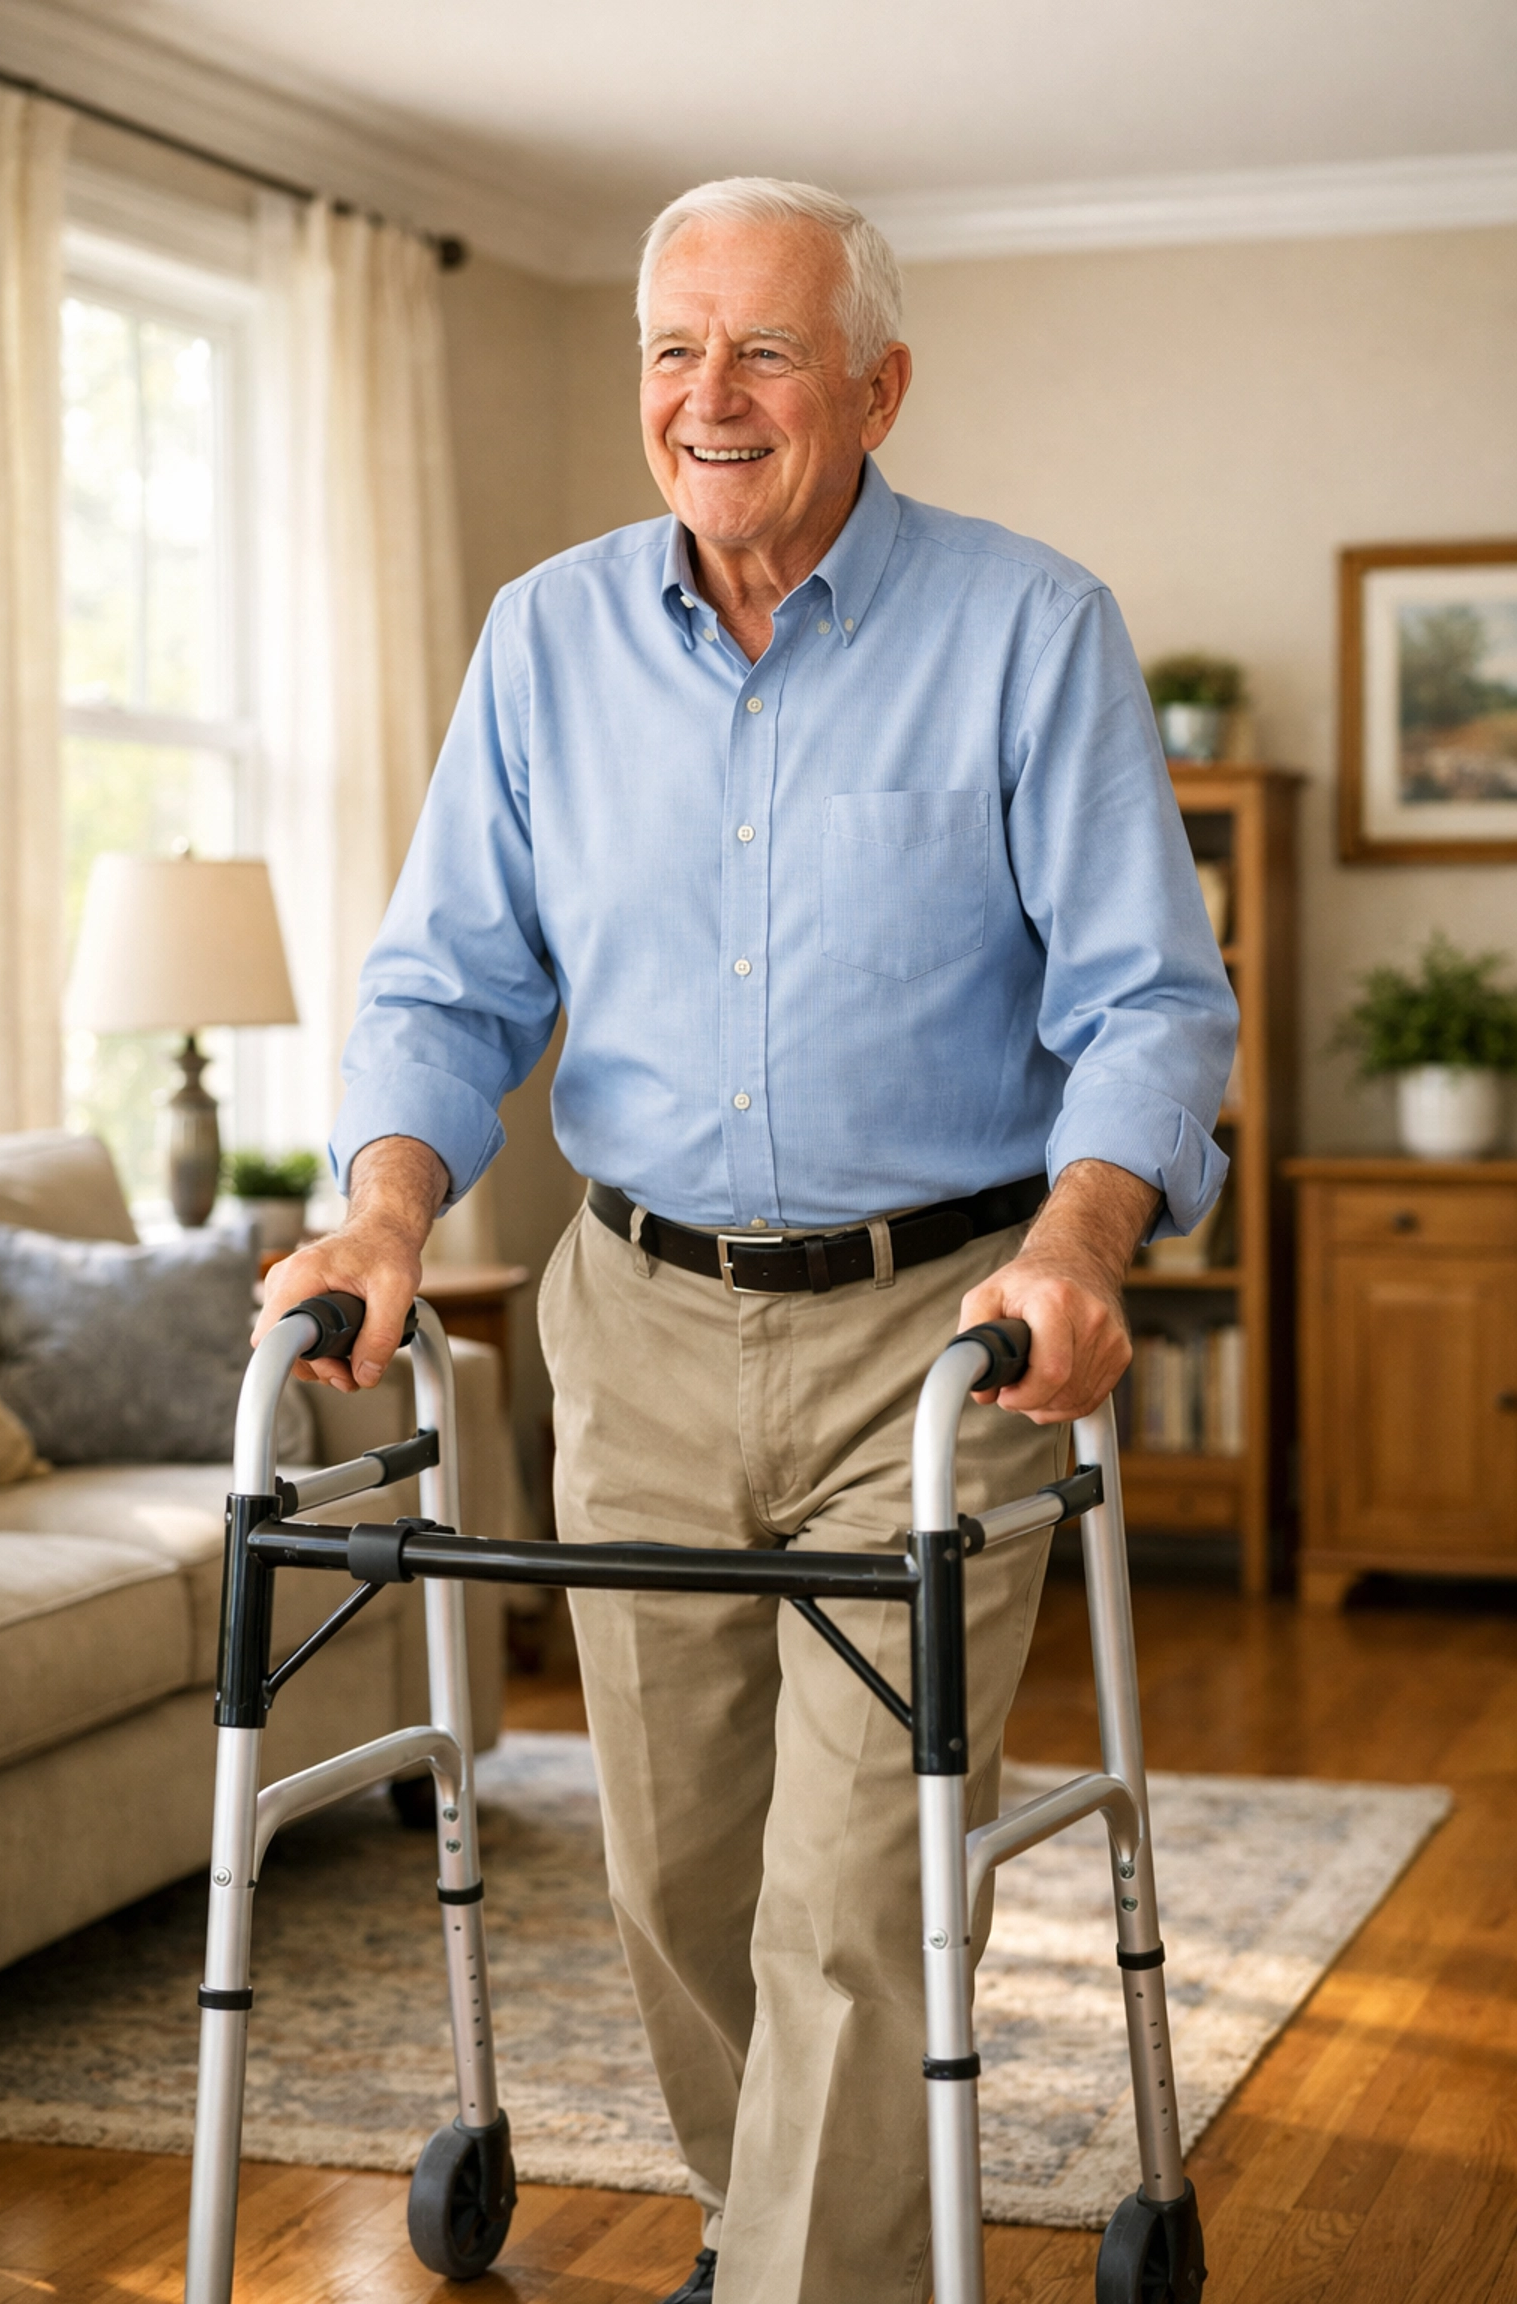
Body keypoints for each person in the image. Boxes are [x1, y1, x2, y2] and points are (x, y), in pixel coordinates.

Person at [257, 177, 1236, 2304]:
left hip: (940, 1327)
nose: (711, 395)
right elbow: (446, 985)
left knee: (857, 1890)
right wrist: (391, 1208)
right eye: (673, 350)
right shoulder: (546, 637)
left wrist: (1082, 1237)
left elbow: (1150, 1003)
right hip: (639, 1322)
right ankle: (768, 2226)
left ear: (876, 386)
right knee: (680, 1866)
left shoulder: (1025, 626)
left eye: (767, 350)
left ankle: (813, 2284)